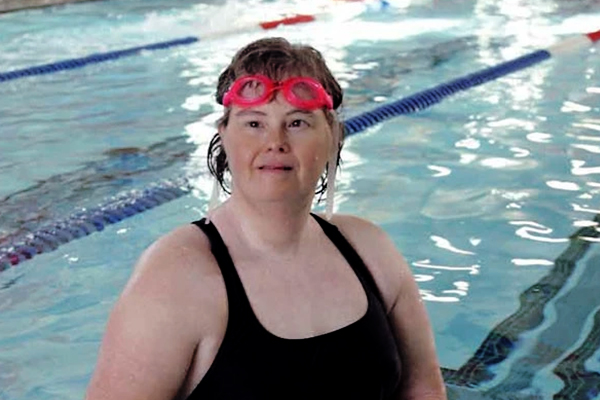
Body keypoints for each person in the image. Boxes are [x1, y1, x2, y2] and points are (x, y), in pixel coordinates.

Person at [85, 37, 447, 400]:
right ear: (224, 135)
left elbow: (424, 390)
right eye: (254, 124)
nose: (275, 142)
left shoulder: (370, 250)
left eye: (298, 123)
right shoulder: (175, 277)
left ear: (333, 135)